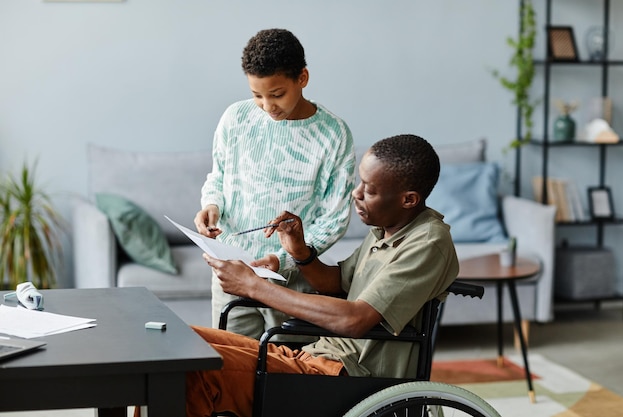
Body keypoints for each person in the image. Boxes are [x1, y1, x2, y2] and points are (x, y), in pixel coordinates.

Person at [186, 134, 460, 417]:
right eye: (360, 182)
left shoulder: (428, 242)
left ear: (409, 200)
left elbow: (355, 319)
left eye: (371, 190)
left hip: (348, 373)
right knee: (187, 344)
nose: (357, 193)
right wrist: (300, 251)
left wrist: (253, 286)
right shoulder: (387, 229)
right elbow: (335, 281)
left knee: (196, 370)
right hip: (320, 355)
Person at [194, 28, 355, 338]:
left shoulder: (333, 134)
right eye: (257, 95)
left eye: (277, 94)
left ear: (303, 78)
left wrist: (283, 260)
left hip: (292, 283)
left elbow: (333, 220)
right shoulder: (235, 118)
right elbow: (219, 176)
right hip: (232, 270)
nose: (268, 106)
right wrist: (211, 205)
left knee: (286, 373)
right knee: (231, 365)